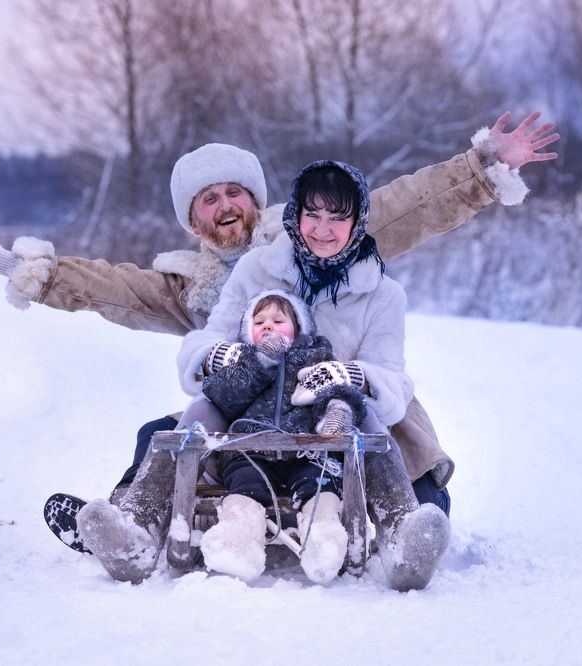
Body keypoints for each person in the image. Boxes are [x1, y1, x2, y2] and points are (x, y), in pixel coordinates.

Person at [0, 112, 559, 551]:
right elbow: (109, 286)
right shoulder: (194, 290)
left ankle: (405, 535)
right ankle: (126, 527)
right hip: (256, 409)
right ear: (192, 219)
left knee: (415, 474)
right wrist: (13, 264)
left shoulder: (319, 230)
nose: (225, 204)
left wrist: (481, 170)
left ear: (256, 201)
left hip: (352, 404)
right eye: (208, 198)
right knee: (160, 436)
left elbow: (407, 204)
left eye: (235, 191)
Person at [79, 157, 441, 590]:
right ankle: (136, 526)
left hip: (332, 413)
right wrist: (227, 360)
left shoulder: (381, 294)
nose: (322, 229)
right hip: (254, 405)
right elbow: (203, 338)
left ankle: (406, 533)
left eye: (337, 218)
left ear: (357, 222)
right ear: (295, 216)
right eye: (312, 215)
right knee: (178, 422)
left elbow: (391, 376)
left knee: (407, 448)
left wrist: (351, 377)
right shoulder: (257, 269)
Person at [176, 288, 367, 585]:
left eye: (279, 321)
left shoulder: (315, 360)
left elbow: (336, 388)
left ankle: (323, 538)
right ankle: (239, 541)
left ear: (300, 329)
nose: (268, 325)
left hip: (306, 450)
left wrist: (337, 408)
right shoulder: (242, 361)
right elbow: (223, 396)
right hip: (250, 449)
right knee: (245, 486)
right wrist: (259, 362)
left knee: (319, 484)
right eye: (259, 321)